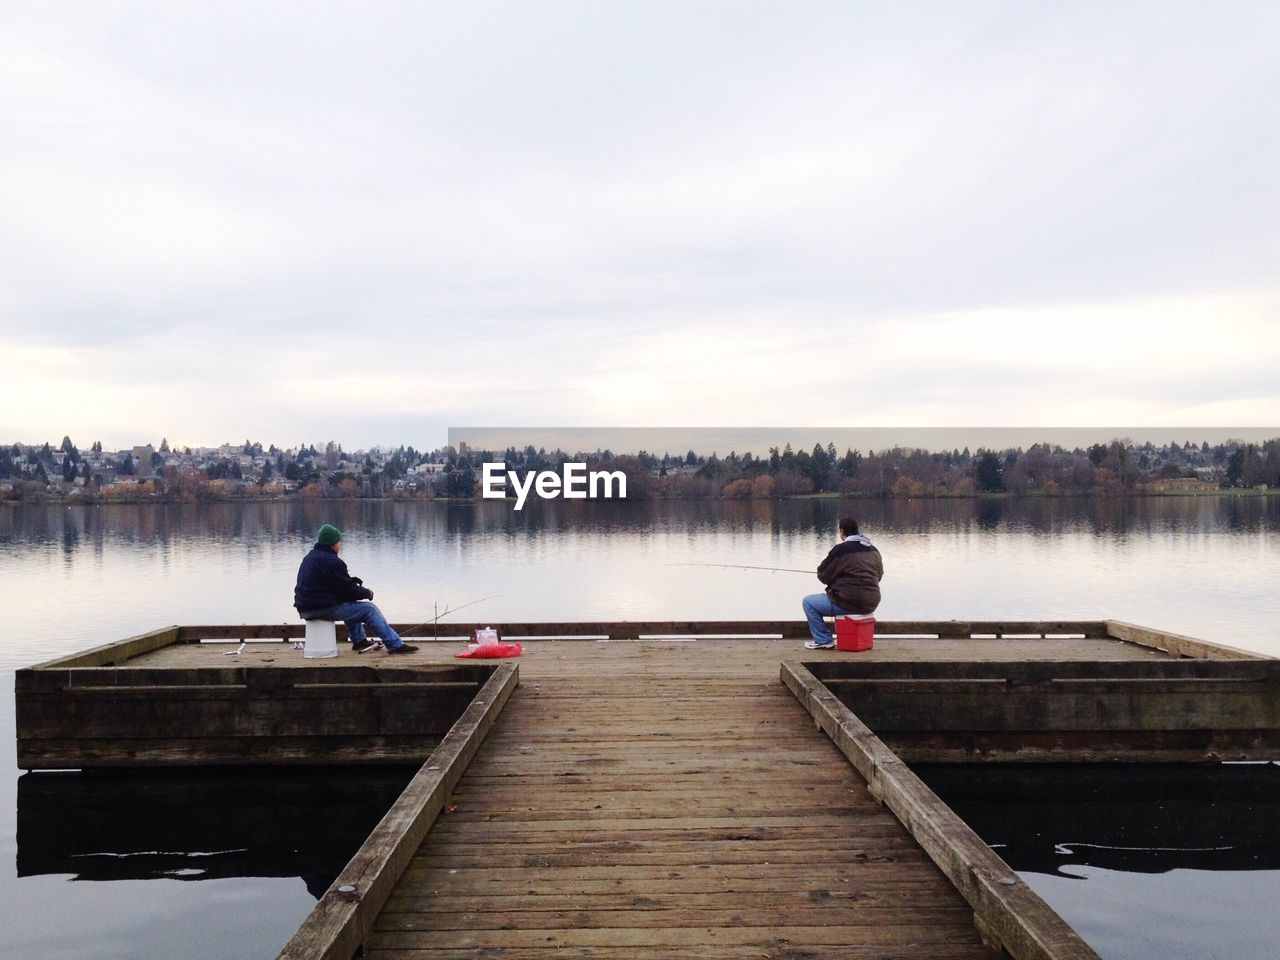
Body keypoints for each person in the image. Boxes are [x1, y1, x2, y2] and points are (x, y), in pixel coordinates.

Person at [293, 524, 418, 654]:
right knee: (369, 609)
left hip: (306, 607)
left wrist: (350, 582)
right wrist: (367, 593)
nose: (340, 545)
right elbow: (348, 592)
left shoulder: (310, 558)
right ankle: (395, 645)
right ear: (332, 544)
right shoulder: (332, 562)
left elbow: (333, 585)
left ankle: (359, 642)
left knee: (349, 604)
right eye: (338, 542)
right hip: (320, 609)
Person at [802, 516, 883, 650]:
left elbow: (823, 575)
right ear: (857, 530)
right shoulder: (873, 550)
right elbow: (878, 576)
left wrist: (836, 579)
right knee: (837, 599)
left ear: (842, 531)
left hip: (848, 602)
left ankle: (823, 640)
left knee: (809, 602)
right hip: (871, 602)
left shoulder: (840, 550)